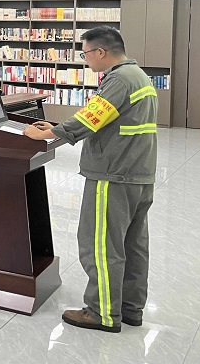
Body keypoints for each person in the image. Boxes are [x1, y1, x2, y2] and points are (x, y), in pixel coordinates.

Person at [23, 27, 158, 333]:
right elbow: (107, 119)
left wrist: (45, 133)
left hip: (113, 173)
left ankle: (102, 313)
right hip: (137, 172)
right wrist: (57, 127)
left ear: (100, 52)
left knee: (100, 245)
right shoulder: (138, 76)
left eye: (85, 54)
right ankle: (129, 308)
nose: (85, 60)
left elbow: (90, 118)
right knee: (133, 245)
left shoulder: (118, 79)